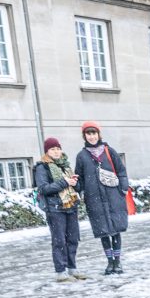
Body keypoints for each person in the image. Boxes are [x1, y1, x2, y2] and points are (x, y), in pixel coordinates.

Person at [74, 121, 129, 275]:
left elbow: (121, 171)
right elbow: (80, 179)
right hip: (94, 199)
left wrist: (123, 189)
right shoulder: (82, 156)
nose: (91, 136)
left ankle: (117, 262)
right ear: (84, 136)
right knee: (103, 232)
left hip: (113, 197)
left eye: (94, 133)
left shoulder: (109, 151)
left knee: (116, 230)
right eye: (88, 133)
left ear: (99, 134)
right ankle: (109, 262)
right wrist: (75, 185)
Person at [34, 138, 84, 283]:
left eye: (57, 149)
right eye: (52, 149)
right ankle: (60, 271)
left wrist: (75, 183)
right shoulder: (42, 167)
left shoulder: (65, 166)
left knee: (73, 238)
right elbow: (44, 189)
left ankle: (72, 268)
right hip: (55, 209)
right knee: (59, 241)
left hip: (71, 206)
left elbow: (77, 188)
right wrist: (65, 182)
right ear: (47, 152)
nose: (56, 152)